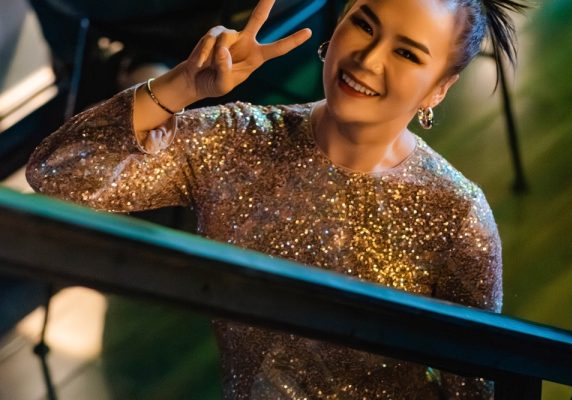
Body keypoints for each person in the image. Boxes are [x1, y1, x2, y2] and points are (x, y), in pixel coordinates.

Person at [26, 0, 528, 398]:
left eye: (407, 53)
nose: (368, 58)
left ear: (438, 89)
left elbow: (474, 387)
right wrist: (182, 85)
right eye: (364, 25)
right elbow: (58, 173)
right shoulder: (237, 142)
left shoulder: (455, 212)